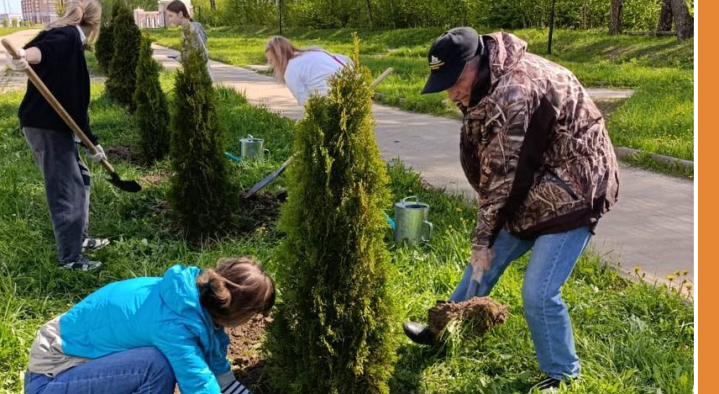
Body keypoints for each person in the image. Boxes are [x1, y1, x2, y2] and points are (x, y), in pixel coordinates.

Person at [402, 27, 619, 391]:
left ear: (475, 62)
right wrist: (486, 240)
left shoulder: (515, 91)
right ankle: (443, 330)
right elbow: (497, 167)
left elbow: (505, 179)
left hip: (578, 189)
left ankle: (562, 374)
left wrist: (482, 238)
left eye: (455, 81)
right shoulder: (485, 81)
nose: (452, 92)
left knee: (538, 290)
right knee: (483, 264)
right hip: (536, 185)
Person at [23, 257, 275, 394]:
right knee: (155, 366)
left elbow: (219, 376)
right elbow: (199, 385)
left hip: (84, 366)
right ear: (238, 313)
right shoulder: (175, 324)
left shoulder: (192, 298)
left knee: (157, 363)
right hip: (51, 379)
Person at [6, 0, 110, 272]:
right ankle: (70, 259)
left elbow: (74, 100)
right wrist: (23, 57)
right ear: (95, 23)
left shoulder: (66, 38)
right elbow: (41, 52)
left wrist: (92, 144)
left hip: (55, 124)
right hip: (46, 126)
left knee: (82, 177)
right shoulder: (65, 37)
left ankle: (80, 239)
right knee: (66, 189)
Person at [264, 36, 353, 106]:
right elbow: (346, 60)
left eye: (271, 61)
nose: (270, 65)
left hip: (333, 100)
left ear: (279, 58)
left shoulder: (291, 70)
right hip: (357, 88)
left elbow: (306, 103)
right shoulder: (314, 51)